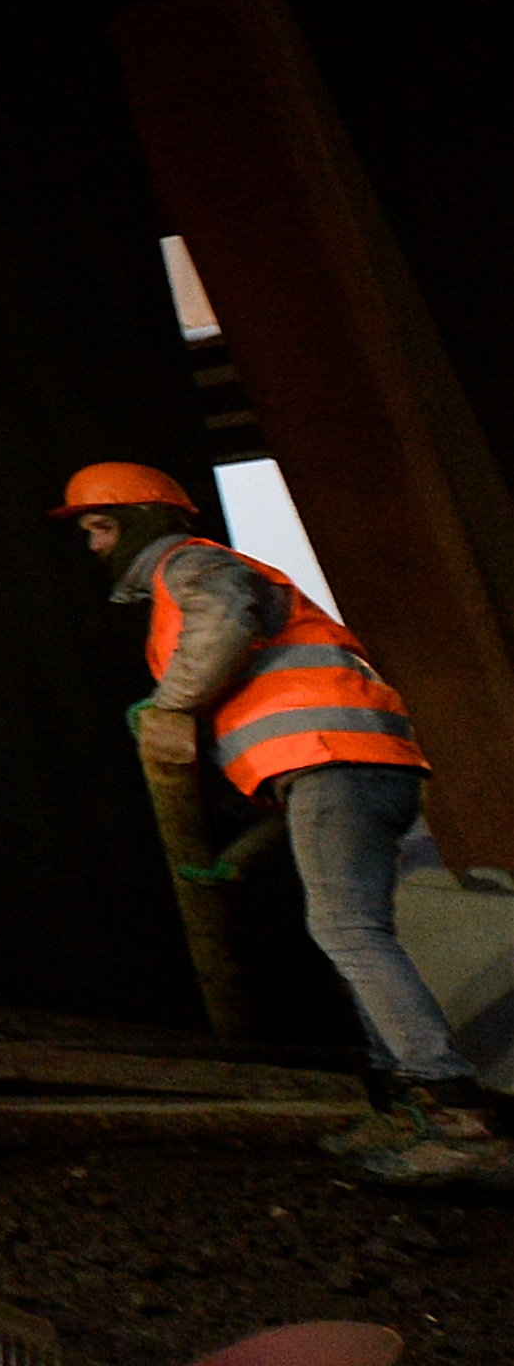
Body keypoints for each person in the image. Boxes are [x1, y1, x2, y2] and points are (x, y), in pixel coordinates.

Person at [66, 461, 505, 1186]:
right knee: (350, 930)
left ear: (144, 520)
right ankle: (407, 1106)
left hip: (334, 761)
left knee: (347, 930)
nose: (93, 545)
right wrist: (236, 855)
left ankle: (459, 1117)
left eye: (101, 526)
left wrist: (169, 701)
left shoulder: (194, 564)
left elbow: (226, 619)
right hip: (342, 766)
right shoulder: (191, 583)